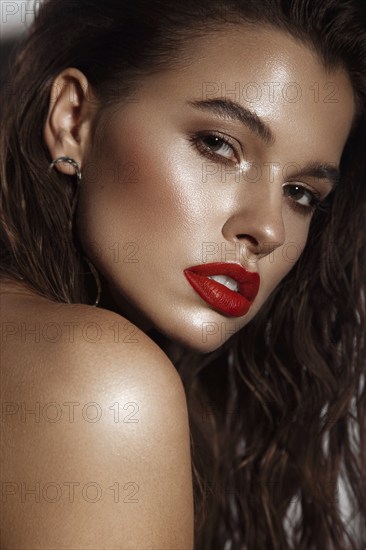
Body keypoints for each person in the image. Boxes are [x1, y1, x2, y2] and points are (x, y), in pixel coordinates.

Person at [1, 0, 365, 548]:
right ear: (73, 119)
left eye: (301, 194)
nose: (266, 229)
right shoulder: (102, 383)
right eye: (218, 145)